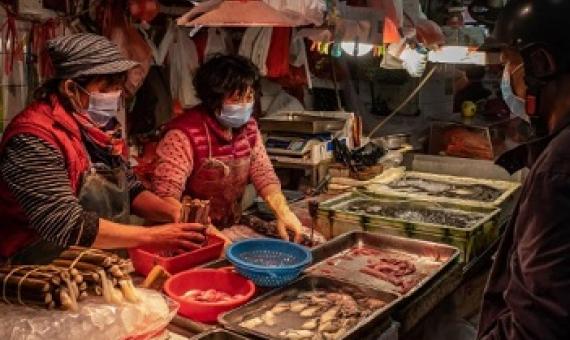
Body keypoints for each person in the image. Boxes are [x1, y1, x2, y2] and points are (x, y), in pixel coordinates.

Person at [0, 34, 206, 265]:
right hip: (35, 272)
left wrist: (171, 212)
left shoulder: (100, 130)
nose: (115, 97)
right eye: (106, 89)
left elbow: (131, 189)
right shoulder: (33, 137)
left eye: (117, 88)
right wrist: (154, 236)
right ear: (70, 88)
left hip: (91, 264)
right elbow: (64, 223)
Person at [477, 0, 570, 339]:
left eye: (509, 65)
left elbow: (537, 324)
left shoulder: (558, 167)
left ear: (540, 64)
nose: (506, 79)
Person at [152, 54, 303, 243]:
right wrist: (214, 237)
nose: (245, 105)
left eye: (249, 97)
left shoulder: (249, 129)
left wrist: (284, 212)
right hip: (183, 234)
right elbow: (166, 198)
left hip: (229, 226)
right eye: (237, 99)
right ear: (214, 98)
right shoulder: (181, 134)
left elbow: (264, 174)